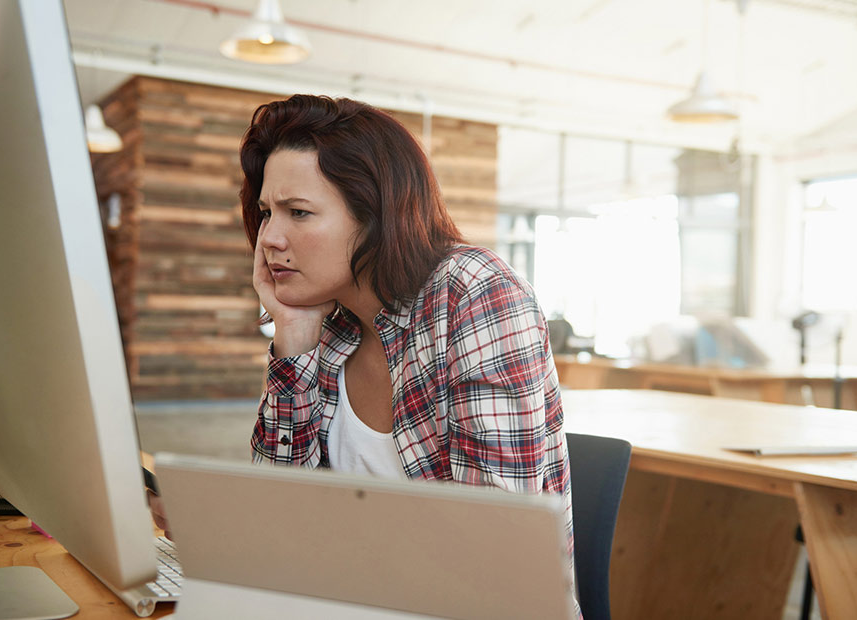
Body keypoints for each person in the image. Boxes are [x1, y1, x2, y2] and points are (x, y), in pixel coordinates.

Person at [153, 93, 576, 610]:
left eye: (298, 212)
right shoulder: (334, 325)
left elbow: (495, 550)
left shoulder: (474, 291)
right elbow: (282, 506)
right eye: (266, 213)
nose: (270, 238)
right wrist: (294, 333)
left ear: (376, 217)